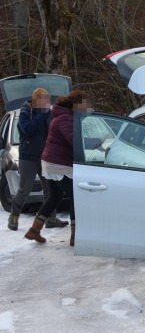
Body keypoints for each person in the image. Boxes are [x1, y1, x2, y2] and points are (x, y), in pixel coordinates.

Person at [24, 90, 90, 246]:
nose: (86, 107)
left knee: (55, 196)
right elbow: (73, 140)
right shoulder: (65, 118)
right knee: (75, 197)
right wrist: (95, 142)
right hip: (58, 164)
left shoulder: (65, 115)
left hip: (52, 162)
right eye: (84, 104)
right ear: (77, 104)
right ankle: (75, 235)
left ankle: (34, 230)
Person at [7, 88, 68, 231]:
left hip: (45, 156)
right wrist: (41, 115)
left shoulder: (48, 114)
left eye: (48, 100)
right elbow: (28, 129)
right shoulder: (25, 112)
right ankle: (14, 216)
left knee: (50, 190)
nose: (47, 103)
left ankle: (50, 218)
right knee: (24, 189)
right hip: (28, 156)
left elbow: (51, 132)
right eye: (44, 100)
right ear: (36, 100)